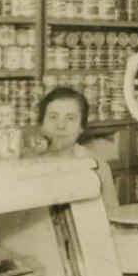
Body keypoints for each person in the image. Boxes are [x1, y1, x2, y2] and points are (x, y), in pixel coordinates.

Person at [34, 87, 120, 215]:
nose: (61, 126)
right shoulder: (26, 162)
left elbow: (112, 214)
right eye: (53, 117)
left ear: (81, 127)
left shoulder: (96, 164)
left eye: (70, 118)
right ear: (41, 123)